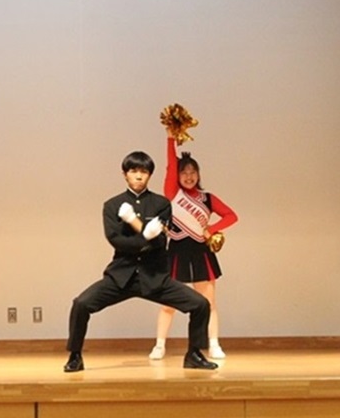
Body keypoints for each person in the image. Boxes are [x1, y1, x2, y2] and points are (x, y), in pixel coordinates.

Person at [64, 150, 217, 372]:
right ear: (124, 174)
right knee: (81, 304)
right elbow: (116, 240)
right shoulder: (112, 205)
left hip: (155, 276)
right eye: (133, 171)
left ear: (149, 175)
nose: (138, 176)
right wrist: (145, 236)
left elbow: (160, 242)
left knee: (200, 304)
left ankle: (194, 354)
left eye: (144, 172)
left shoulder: (161, 204)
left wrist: (142, 232)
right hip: (121, 276)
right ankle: (75, 356)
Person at [150, 135, 238, 361]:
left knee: (209, 303)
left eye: (193, 172)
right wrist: (170, 137)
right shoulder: (173, 193)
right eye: (184, 172)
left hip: (201, 252)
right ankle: (159, 345)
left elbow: (231, 216)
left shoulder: (208, 199)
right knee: (168, 303)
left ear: (198, 174)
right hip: (177, 252)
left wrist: (212, 228)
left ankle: (214, 344)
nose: (188, 177)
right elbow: (170, 164)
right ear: (177, 176)